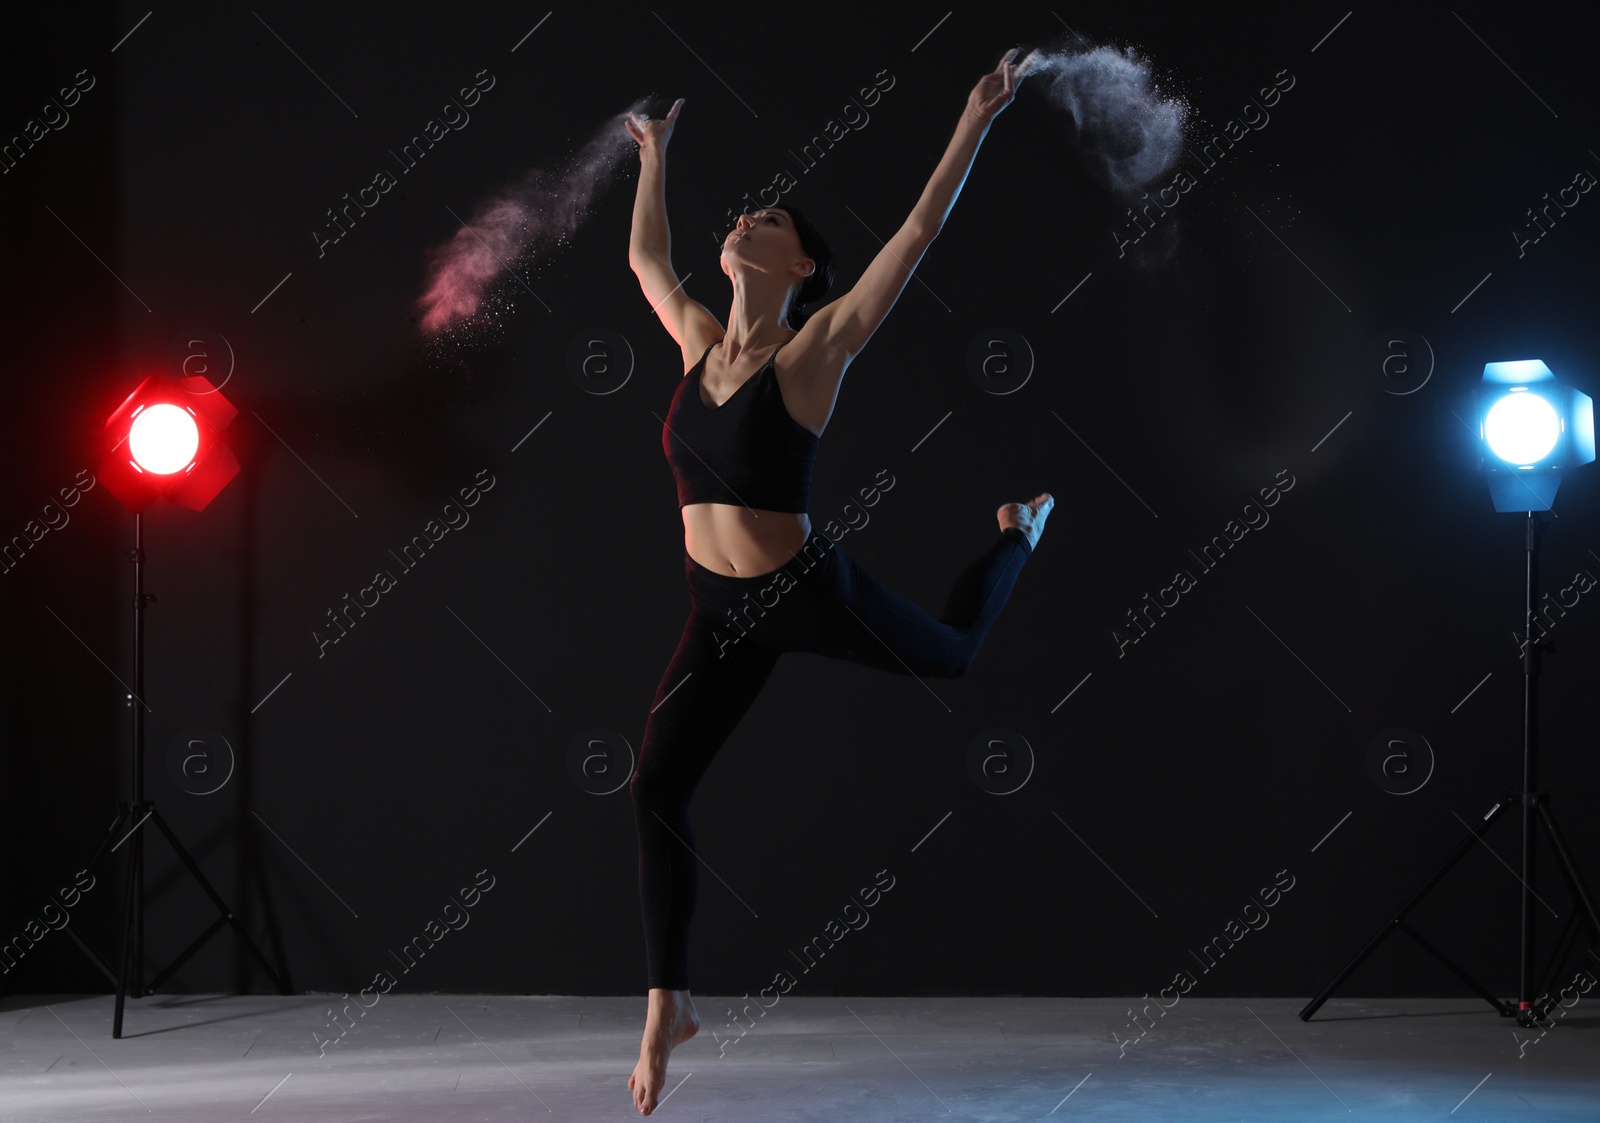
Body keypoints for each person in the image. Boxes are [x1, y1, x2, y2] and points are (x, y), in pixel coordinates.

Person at [621, 47, 1051, 1116]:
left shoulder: (812, 353)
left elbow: (913, 238)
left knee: (949, 655)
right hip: (716, 613)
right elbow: (643, 259)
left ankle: (1016, 537)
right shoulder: (699, 342)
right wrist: (656, 155)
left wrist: (973, 121)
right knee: (656, 786)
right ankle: (666, 1001)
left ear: (802, 264)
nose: (744, 221)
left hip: (802, 591)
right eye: (743, 214)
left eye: (768, 219)